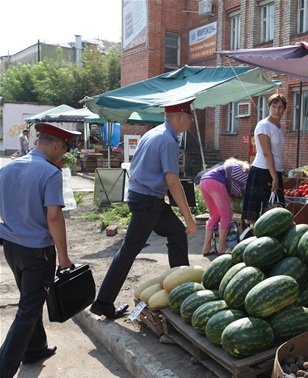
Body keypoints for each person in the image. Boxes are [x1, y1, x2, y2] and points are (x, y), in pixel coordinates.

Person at [89, 100, 197, 319]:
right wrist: (189, 217)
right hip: (148, 201)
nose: (192, 119)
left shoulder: (154, 133)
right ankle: (103, 303)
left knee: (176, 233)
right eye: (189, 115)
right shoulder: (168, 140)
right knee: (129, 250)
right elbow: (173, 182)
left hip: (147, 198)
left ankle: (180, 290)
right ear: (178, 116)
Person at [0, 123, 80, 376]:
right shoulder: (50, 173)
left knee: (29, 298)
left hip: (12, 247)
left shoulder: (9, 167)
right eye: (65, 150)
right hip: (38, 252)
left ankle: (35, 349)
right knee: (28, 310)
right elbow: (54, 217)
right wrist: (64, 257)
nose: (64, 155)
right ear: (58, 145)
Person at [241, 93, 287, 223]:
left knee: (275, 215)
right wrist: (274, 178)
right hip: (262, 171)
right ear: (269, 107)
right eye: (274, 107)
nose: (277, 110)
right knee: (257, 216)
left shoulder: (280, 126)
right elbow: (267, 153)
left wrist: (277, 174)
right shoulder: (263, 125)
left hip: (275, 171)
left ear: (284, 109)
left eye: (280, 107)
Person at [200, 158, 250, 256]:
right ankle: (222, 247)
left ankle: (206, 248)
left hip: (204, 181)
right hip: (215, 183)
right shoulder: (244, 172)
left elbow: (232, 189)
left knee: (214, 216)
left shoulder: (228, 167)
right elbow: (241, 190)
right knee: (226, 215)